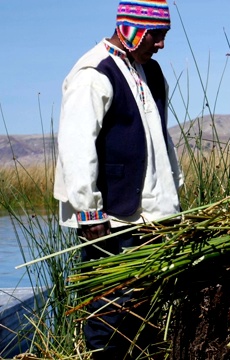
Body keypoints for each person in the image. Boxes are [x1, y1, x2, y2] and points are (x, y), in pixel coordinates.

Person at [53, 0, 183, 358]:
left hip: (152, 217)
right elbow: (76, 146)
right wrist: (88, 211)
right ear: (133, 30)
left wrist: (173, 201)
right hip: (113, 218)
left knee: (146, 311)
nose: (161, 44)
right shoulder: (94, 74)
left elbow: (159, 141)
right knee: (109, 311)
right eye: (156, 35)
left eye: (164, 35)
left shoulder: (151, 72)